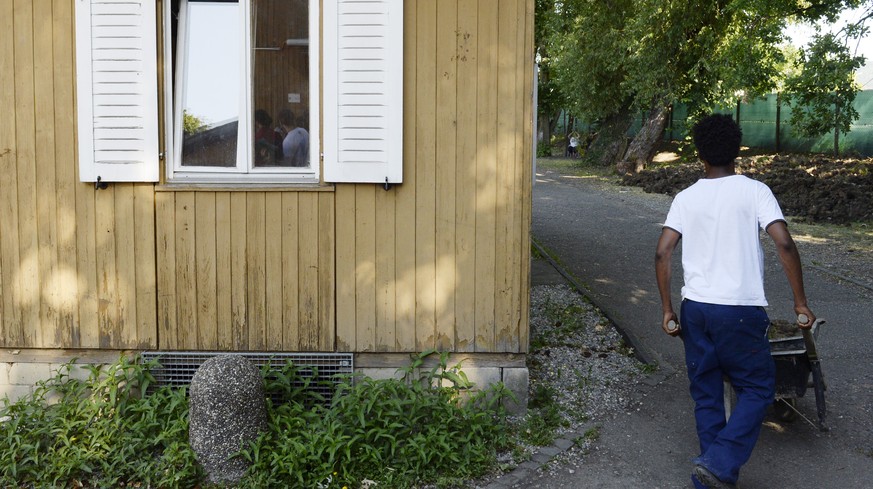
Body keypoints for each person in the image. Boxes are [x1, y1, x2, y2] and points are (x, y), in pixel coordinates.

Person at [654, 113, 815, 489]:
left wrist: (667, 310)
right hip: (740, 312)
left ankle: (711, 474)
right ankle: (721, 462)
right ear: (737, 150)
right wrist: (800, 303)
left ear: (700, 155)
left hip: (695, 311)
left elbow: (663, 253)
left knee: (706, 393)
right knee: (759, 388)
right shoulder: (755, 191)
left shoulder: (685, 197)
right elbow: (784, 242)